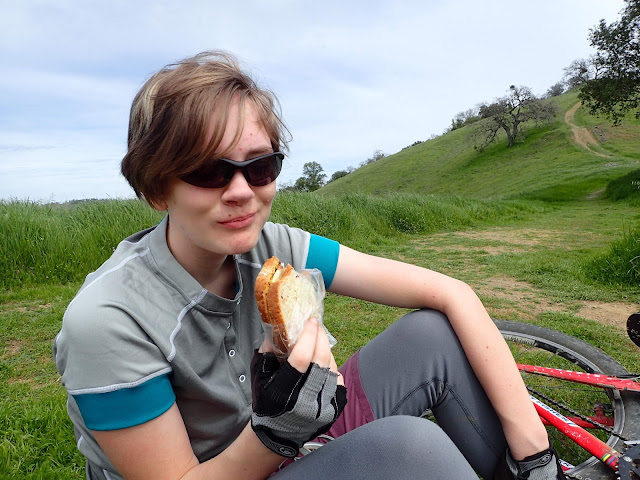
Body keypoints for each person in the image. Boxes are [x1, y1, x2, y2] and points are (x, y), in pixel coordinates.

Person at [53, 51, 566, 480]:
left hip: (279, 449)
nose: (242, 192)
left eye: (260, 166)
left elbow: (450, 292)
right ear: (156, 188)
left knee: (430, 334)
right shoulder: (109, 321)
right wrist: (278, 433)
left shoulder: (274, 249)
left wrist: (534, 452)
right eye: (208, 171)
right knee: (409, 449)